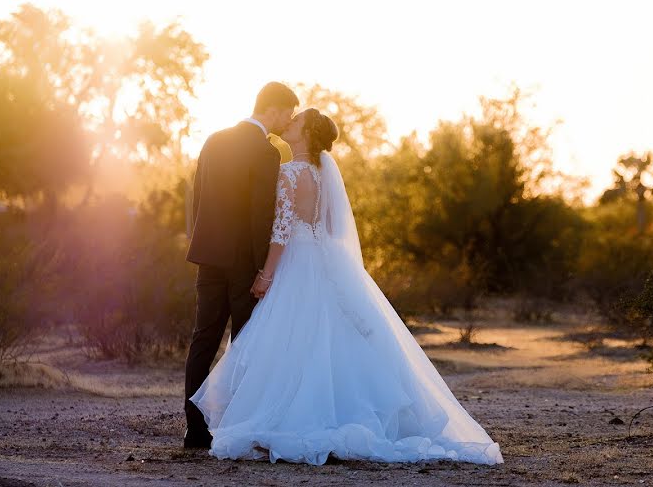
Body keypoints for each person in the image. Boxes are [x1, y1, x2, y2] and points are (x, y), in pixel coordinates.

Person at [190, 108, 503, 465]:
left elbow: (281, 230)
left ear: (306, 134)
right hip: (322, 258)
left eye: (296, 122)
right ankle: (343, 410)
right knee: (328, 337)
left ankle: (294, 417)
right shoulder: (322, 174)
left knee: (296, 340)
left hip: (295, 262)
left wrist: (266, 274)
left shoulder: (290, 173)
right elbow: (326, 226)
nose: (288, 124)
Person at [183, 81, 299, 449]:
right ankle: (237, 427)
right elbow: (260, 215)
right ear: (273, 109)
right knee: (245, 343)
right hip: (242, 262)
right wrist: (261, 268)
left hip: (209, 256)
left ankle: (195, 431)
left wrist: (199, 243)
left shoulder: (214, 139)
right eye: (288, 113)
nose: (289, 120)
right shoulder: (266, 153)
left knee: (203, 338)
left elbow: (197, 196)